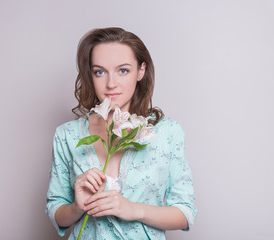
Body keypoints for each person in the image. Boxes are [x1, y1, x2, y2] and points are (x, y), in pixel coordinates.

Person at [46, 27, 196, 239]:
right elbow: (56, 210)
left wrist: (134, 210)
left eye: (123, 70)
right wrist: (77, 207)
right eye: (100, 72)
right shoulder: (67, 135)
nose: (111, 83)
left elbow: (186, 212)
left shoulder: (167, 133)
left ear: (141, 71)